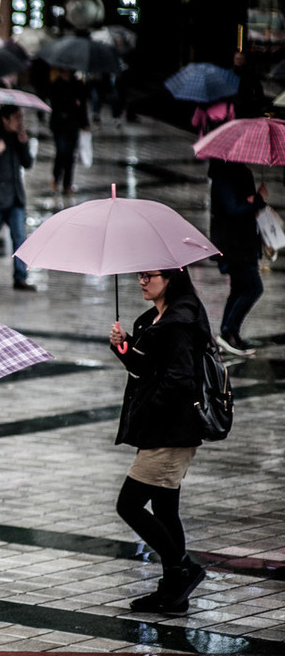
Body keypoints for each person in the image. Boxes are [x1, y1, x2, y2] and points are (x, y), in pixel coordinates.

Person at [108, 268, 210, 614]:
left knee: (129, 505)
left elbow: (179, 380)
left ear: (171, 278)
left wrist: (150, 409)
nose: (142, 281)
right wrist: (123, 347)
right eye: (140, 275)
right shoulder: (155, 317)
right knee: (166, 510)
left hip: (171, 431)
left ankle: (183, 568)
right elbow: (144, 370)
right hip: (160, 430)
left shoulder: (179, 321)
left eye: (150, 275)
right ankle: (174, 592)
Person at [208, 158, 268, 356]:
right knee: (253, 287)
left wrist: (253, 200)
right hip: (235, 246)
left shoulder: (239, 172)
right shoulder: (224, 176)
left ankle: (230, 333)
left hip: (244, 244)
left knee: (239, 289)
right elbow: (233, 208)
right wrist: (256, 200)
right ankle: (227, 333)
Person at [0, 104, 37, 291]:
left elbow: (27, 163)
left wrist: (23, 142)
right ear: (5, 119)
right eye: (17, 118)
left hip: (15, 197)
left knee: (20, 237)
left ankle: (20, 277)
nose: (20, 122)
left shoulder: (17, 138)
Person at [48, 68, 89, 194]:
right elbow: (54, 104)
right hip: (59, 124)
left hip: (72, 124)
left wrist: (84, 123)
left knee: (71, 155)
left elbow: (82, 106)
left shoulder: (78, 85)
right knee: (61, 152)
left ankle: (67, 183)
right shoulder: (56, 85)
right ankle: (56, 179)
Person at [232, 51, 266, 119]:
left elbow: (258, 89)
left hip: (247, 104)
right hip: (235, 103)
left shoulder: (250, 73)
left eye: (241, 59)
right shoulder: (230, 73)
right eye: (237, 59)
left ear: (244, 60)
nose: (239, 61)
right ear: (234, 60)